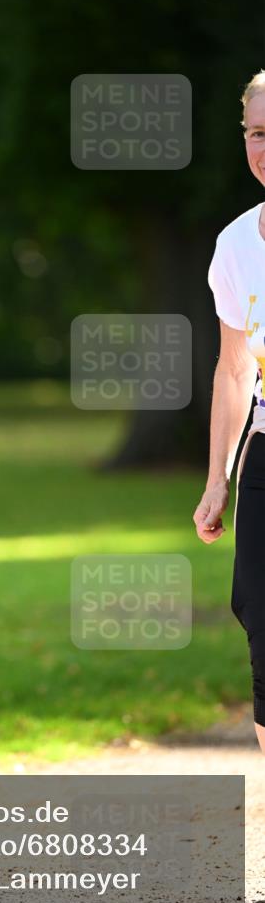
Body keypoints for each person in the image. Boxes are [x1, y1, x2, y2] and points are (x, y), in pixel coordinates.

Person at [193, 68, 265, 756]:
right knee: (260, 620)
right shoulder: (236, 245)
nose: (264, 147)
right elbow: (234, 366)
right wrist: (217, 477)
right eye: (255, 133)